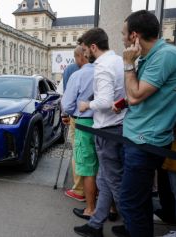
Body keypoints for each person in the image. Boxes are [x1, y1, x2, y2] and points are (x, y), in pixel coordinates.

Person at [118, 10, 176, 237]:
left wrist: (127, 64)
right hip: (139, 138)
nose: (122, 39)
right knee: (139, 202)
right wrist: (124, 103)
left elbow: (135, 95)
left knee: (130, 203)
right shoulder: (150, 57)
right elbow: (136, 97)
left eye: (123, 34)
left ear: (134, 36)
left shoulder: (165, 55)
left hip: (145, 142)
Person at [74, 28, 126, 237]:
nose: (85, 54)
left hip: (107, 129)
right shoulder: (119, 61)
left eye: (86, 49)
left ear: (93, 47)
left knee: (113, 182)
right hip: (117, 126)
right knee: (104, 180)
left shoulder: (103, 66)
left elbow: (104, 101)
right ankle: (96, 224)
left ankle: (134, 225)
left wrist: (87, 105)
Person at [61, 45, 98, 217]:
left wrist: (70, 110)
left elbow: (67, 104)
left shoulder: (78, 74)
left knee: (85, 162)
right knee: (102, 163)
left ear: (80, 57)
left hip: (83, 121)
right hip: (103, 121)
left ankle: (88, 205)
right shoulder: (103, 70)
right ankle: (109, 206)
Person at [62, 52, 84, 203]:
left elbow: (66, 97)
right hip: (95, 118)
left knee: (78, 151)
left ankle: (79, 189)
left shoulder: (71, 70)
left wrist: (65, 114)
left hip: (76, 116)